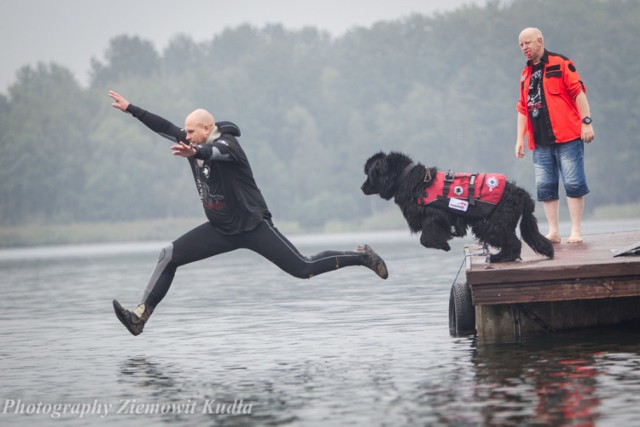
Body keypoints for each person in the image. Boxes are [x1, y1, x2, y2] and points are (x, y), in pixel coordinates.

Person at [108, 90, 388, 336]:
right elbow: (163, 126)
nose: (186, 136)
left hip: (253, 227)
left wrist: (196, 153)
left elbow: (214, 152)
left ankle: (362, 257)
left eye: (192, 132)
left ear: (207, 128)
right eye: (186, 132)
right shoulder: (191, 140)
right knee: (169, 255)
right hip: (220, 230)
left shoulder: (229, 145)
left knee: (304, 268)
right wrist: (131, 108)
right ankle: (140, 318)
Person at [515, 27, 595, 244]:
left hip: (568, 135)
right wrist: (519, 139)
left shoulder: (561, 63)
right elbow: (522, 108)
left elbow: (578, 93)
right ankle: (554, 232)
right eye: (521, 44)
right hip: (540, 141)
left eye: (528, 43)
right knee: (545, 187)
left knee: (574, 183)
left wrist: (586, 123)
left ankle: (576, 231)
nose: (524, 48)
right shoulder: (525, 74)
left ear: (539, 41)